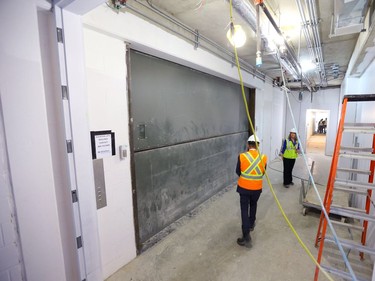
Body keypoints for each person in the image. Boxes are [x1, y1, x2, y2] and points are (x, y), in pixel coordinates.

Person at [235, 134, 267, 246]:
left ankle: (246, 235)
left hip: (244, 188)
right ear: (258, 145)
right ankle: (252, 223)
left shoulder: (242, 156)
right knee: (253, 205)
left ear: (248, 145)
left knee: (244, 209)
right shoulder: (264, 157)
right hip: (257, 188)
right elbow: (263, 172)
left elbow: (238, 171)